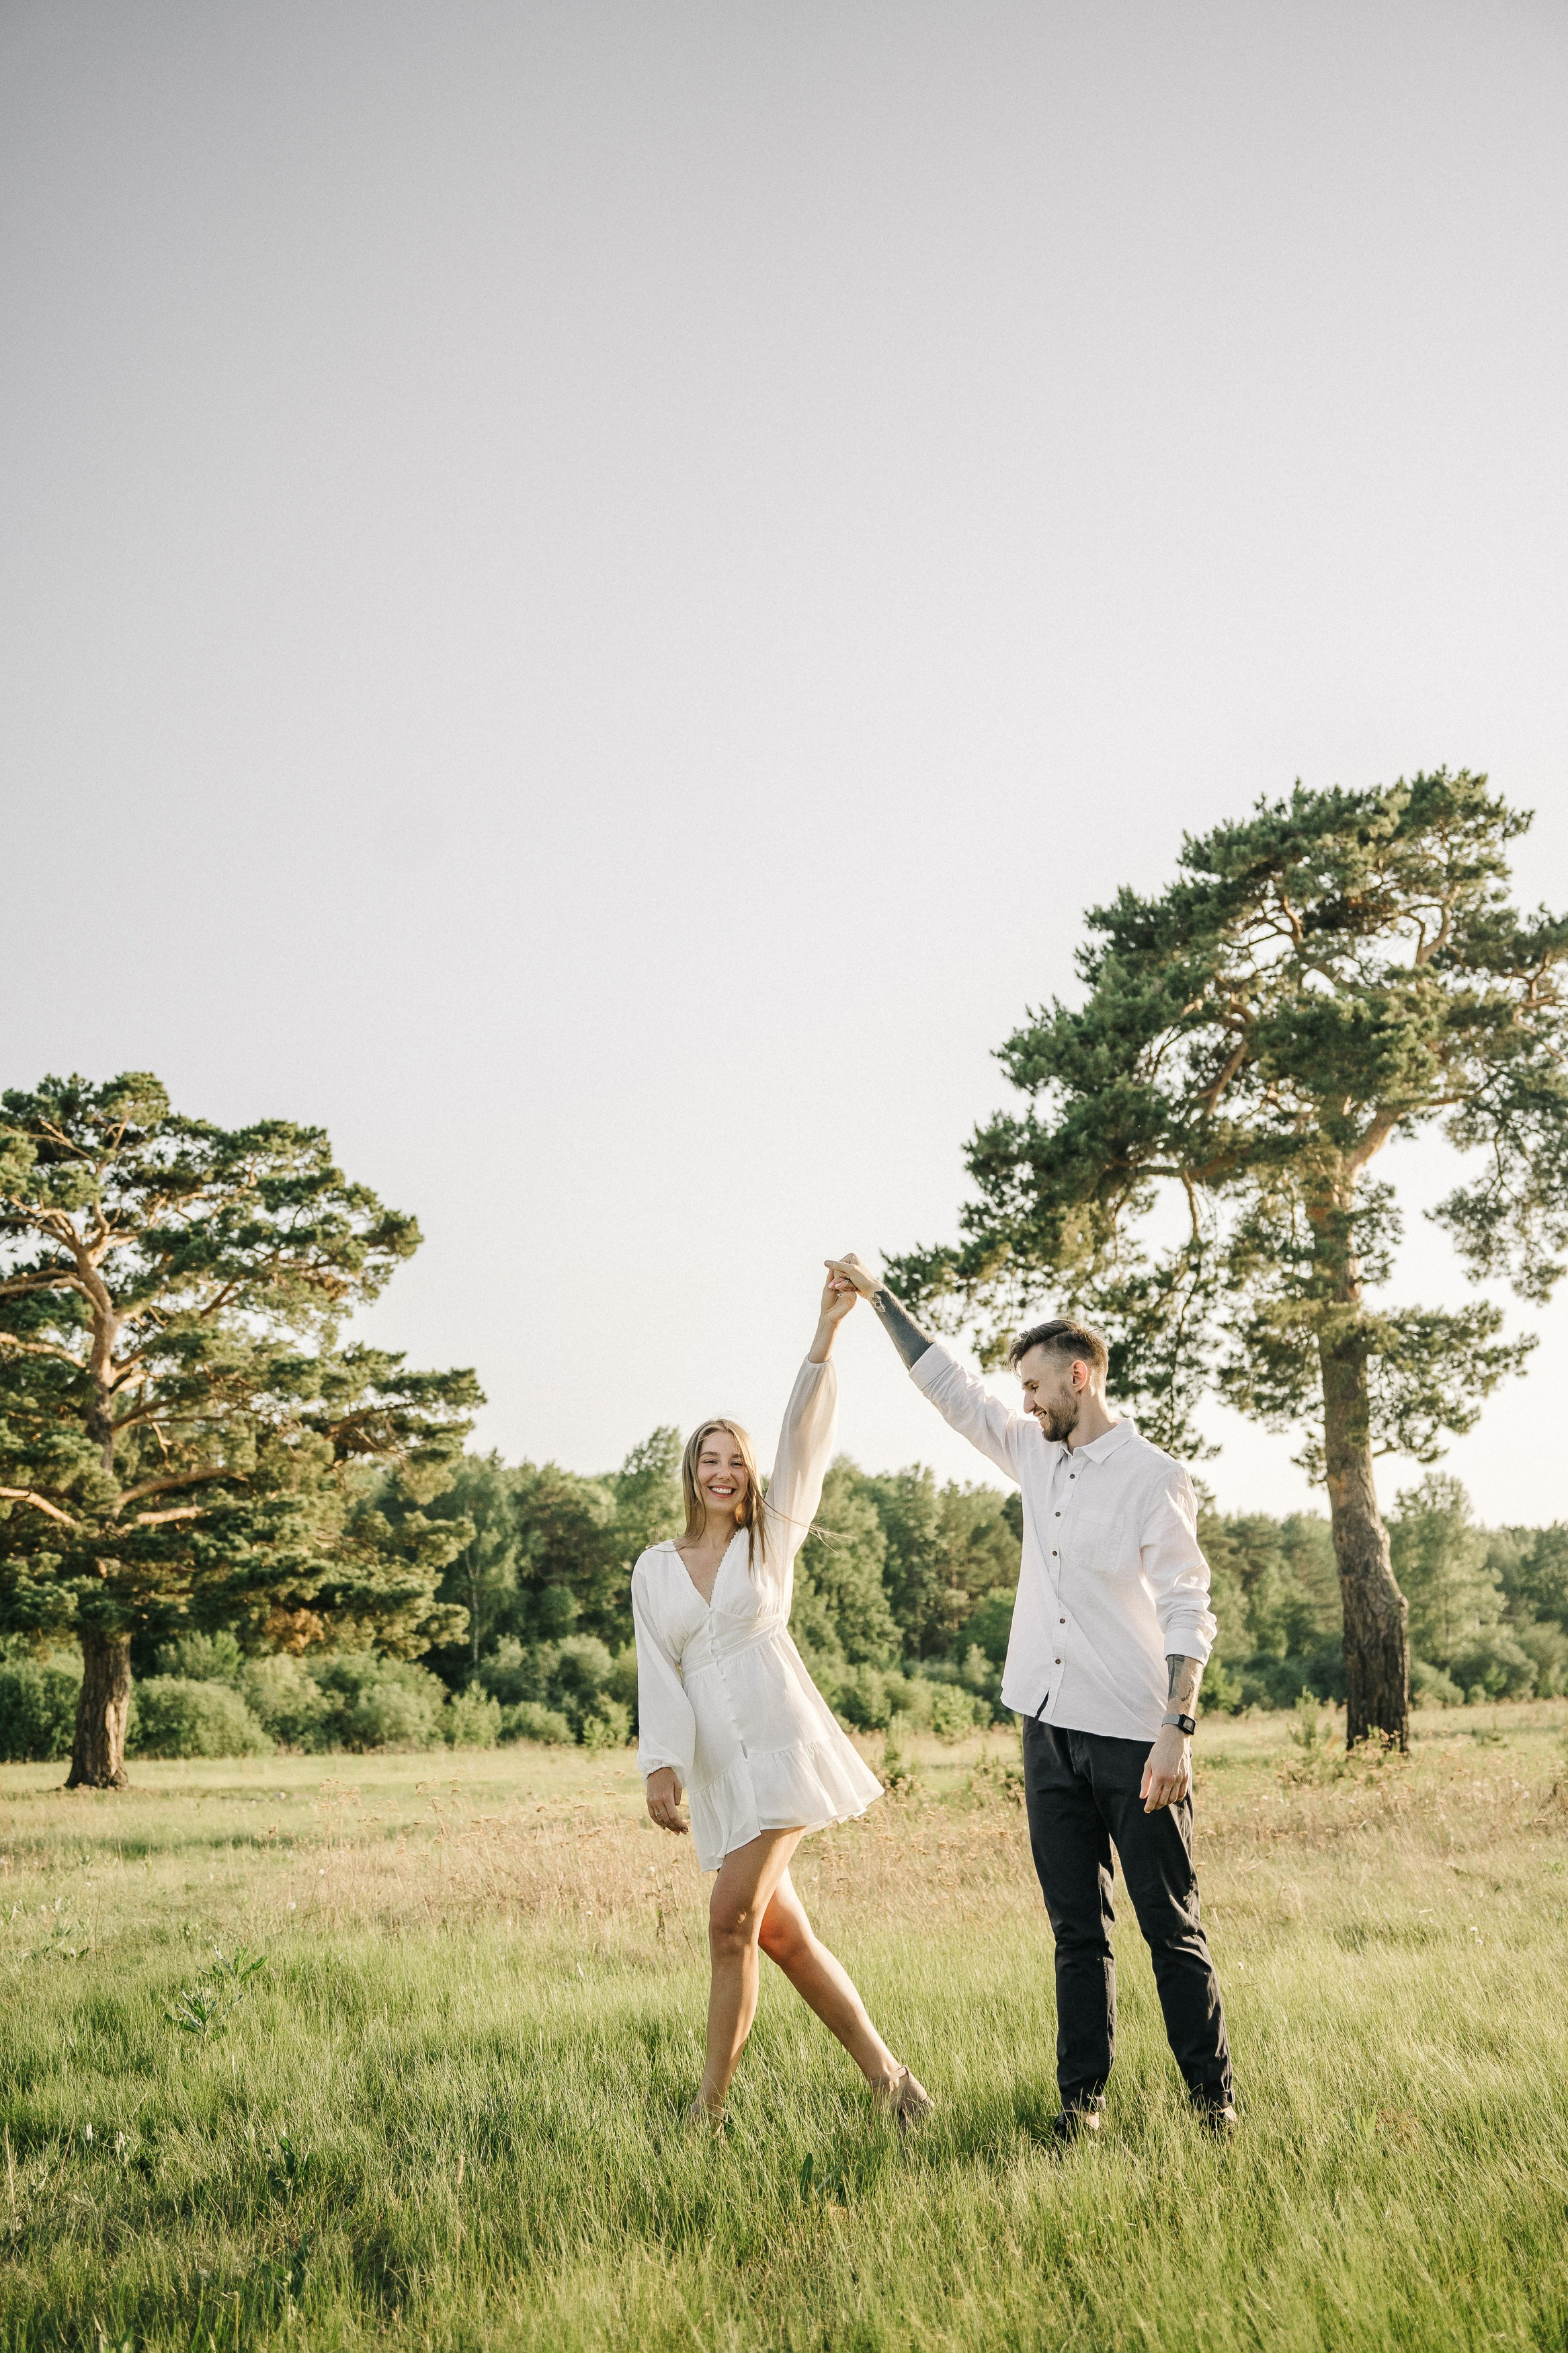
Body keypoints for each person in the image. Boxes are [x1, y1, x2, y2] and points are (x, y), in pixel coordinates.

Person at [826, 1252, 1236, 2141]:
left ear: (1078, 1378)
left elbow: (1186, 1606)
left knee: (1171, 1931)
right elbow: (949, 1387)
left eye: (1036, 1386)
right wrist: (878, 1296)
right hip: (1046, 1732)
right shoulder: (1030, 1451)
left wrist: (1176, 1727)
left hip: (1136, 1737)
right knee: (1075, 1935)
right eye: (1020, 1389)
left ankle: (1215, 2109)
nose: (1022, 1402)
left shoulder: (1154, 1476)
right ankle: (1080, 2107)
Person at [632, 1268, 933, 2133]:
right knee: (777, 1934)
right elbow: (656, 1667)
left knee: (729, 1919)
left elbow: (804, 1442)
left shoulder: (772, 1539)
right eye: (709, 1458)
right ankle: (891, 2083)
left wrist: (823, 1338)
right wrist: (659, 1763)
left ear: (749, 1474)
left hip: (784, 1746)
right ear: (690, 1469)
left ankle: (706, 2112)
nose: (723, 1472)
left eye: (736, 1461)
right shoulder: (654, 1568)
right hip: (722, 1770)